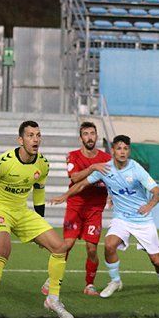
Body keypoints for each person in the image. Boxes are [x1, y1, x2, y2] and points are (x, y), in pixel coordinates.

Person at [0, 120, 73, 318]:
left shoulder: (42, 164)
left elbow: (39, 194)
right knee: (3, 250)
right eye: (31, 135)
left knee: (60, 248)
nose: (35, 139)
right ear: (20, 139)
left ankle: (53, 299)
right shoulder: (3, 162)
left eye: (38, 135)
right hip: (0, 209)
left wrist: (40, 227)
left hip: (22, 211)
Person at [50, 135, 159, 300]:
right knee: (109, 245)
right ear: (113, 151)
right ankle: (115, 281)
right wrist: (65, 196)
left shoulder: (136, 168)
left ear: (129, 151)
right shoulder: (106, 169)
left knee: (156, 260)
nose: (122, 152)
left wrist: (149, 206)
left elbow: (157, 192)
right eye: (119, 148)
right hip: (121, 219)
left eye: (125, 149)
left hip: (142, 220)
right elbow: (81, 184)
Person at [41, 122, 111, 297]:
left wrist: (113, 195)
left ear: (96, 136)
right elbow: (75, 177)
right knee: (67, 245)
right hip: (76, 206)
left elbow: (113, 179)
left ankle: (89, 284)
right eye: (86, 134)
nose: (89, 137)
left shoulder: (106, 158)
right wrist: (92, 167)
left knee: (92, 249)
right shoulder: (73, 156)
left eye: (92, 133)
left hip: (95, 208)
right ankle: (53, 279)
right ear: (81, 138)